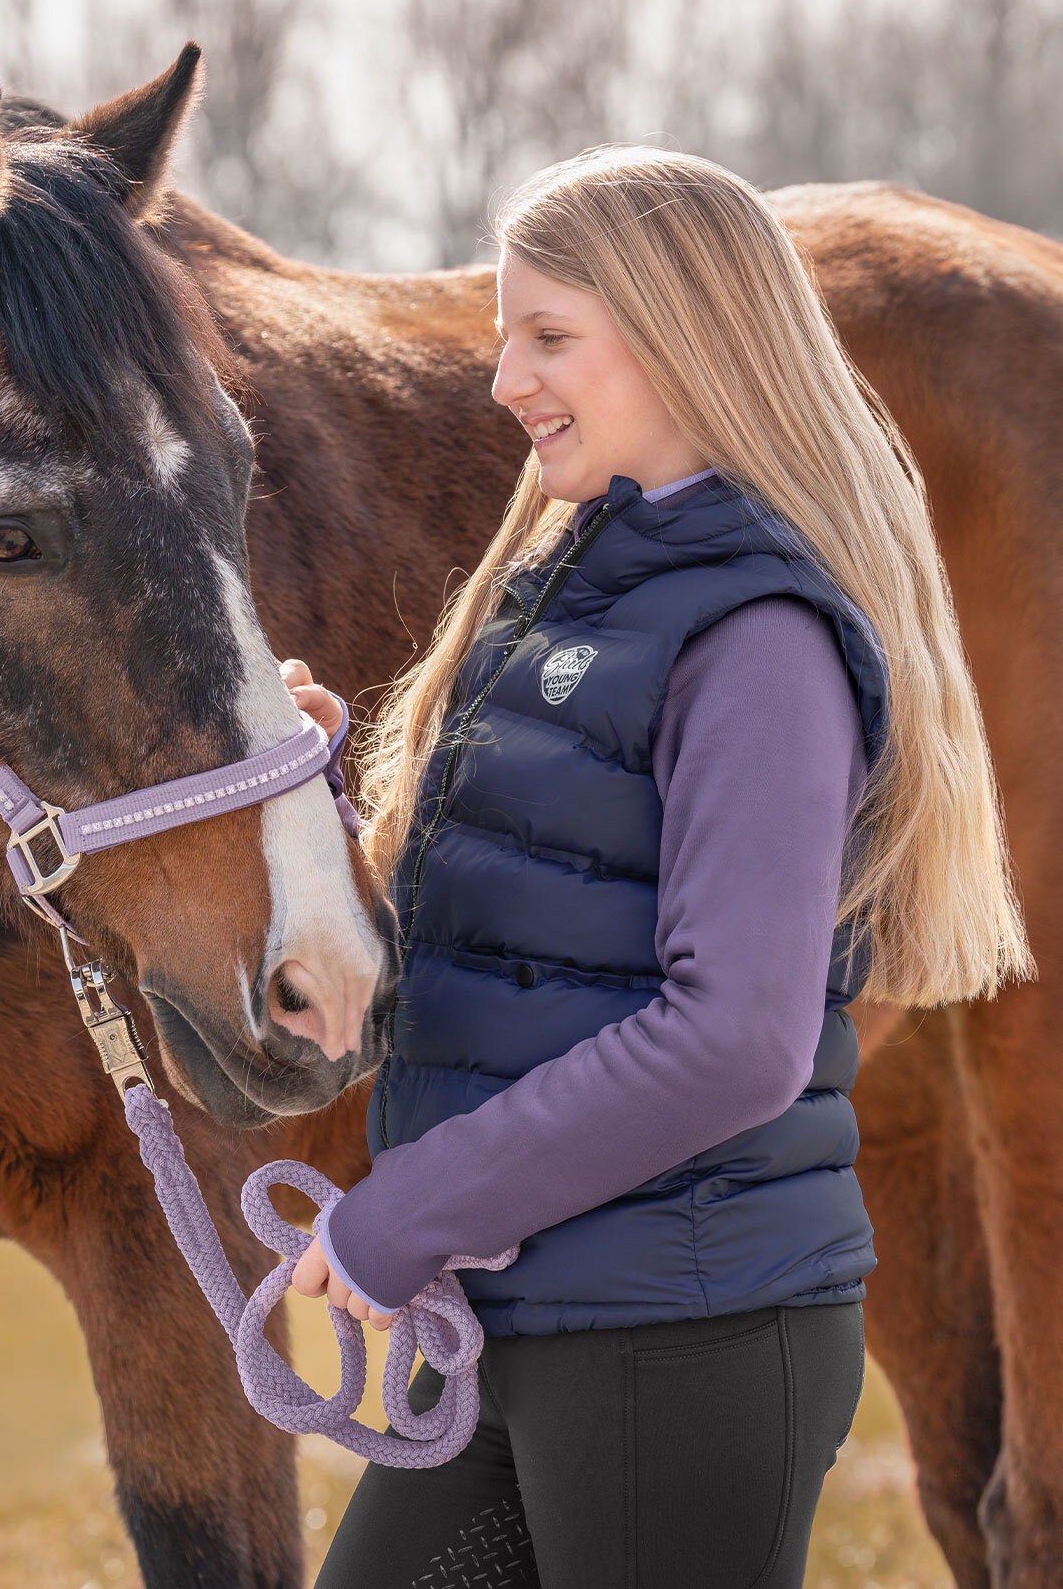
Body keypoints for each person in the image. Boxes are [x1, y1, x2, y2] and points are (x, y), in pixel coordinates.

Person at [277, 145, 1032, 1589]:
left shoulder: (755, 642)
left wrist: (407, 1218)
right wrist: (302, 799)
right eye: (506, 334)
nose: (504, 379)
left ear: (686, 338)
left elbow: (734, 1042)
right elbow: (480, 956)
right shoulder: (555, 600)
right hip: (514, 1317)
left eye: (546, 335)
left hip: (679, 1337)